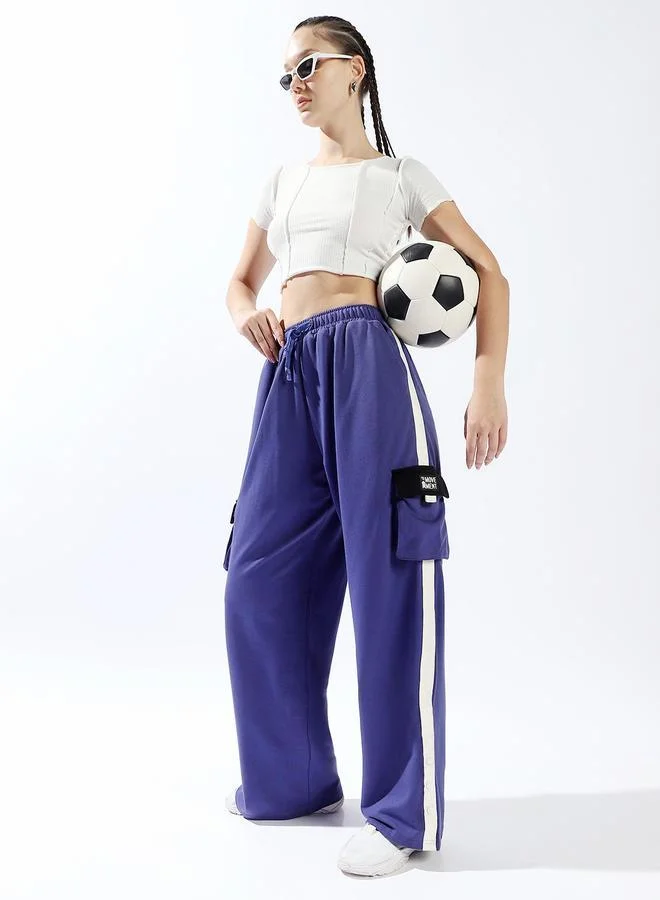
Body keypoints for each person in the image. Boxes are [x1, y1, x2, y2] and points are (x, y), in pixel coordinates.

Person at [223, 15, 510, 878]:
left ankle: (401, 815)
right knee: (257, 576)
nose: (296, 84)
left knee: (392, 580)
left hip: (368, 368)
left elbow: (488, 270)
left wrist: (488, 382)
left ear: (355, 70)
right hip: (289, 374)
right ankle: (292, 781)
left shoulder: (399, 176)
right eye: (286, 76)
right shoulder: (281, 181)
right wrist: (248, 314)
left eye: (308, 66)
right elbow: (238, 281)